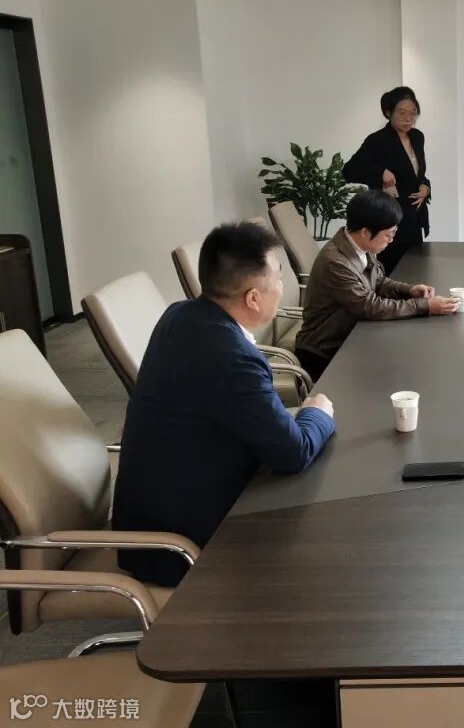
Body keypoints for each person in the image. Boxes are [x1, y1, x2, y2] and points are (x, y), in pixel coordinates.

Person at [111, 222, 337, 586]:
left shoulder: (180, 314)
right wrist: (317, 411)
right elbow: (294, 452)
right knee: (321, 542)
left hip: (158, 506)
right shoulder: (230, 356)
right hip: (180, 543)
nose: (283, 287)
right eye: (279, 278)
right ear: (253, 298)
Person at [295, 190, 460, 380]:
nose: (392, 240)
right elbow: (370, 306)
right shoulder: (336, 262)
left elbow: (378, 280)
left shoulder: (360, 246)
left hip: (351, 337)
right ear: (365, 232)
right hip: (324, 353)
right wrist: (425, 306)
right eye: (389, 235)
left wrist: (409, 290)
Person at [342, 86, 431, 275]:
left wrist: (425, 186)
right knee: (393, 274)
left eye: (413, 113)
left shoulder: (417, 137)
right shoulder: (377, 140)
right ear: (389, 112)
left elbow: (417, 175)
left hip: (414, 218)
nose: (408, 119)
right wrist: (380, 171)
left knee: (416, 272)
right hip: (389, 221)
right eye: (402, 113)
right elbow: (349, 171)